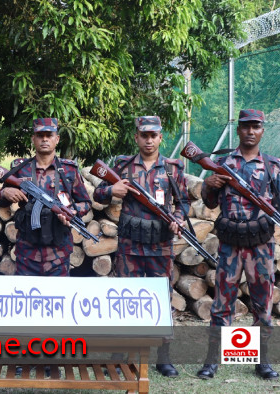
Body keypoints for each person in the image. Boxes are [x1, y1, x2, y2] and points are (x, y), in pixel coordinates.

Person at [196, 109, 280, 380]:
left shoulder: (272, 165)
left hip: (260, 246)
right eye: (245, 127)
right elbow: (209, 201)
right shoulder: (223, 163)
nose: (250, 132)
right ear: (238, 130)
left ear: (262, 131)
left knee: (262, 304)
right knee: (222, 304)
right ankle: (212, 361)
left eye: (256, 127)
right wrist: (209, 184)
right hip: (230, 245)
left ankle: (261, 361)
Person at [93, 115, 189, 378]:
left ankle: (164, 357)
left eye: (153, 135)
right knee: (125, 299)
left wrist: (178, 220)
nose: (148, 140)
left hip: (160, 246)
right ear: (136, 137)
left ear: (160, 138)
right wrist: (113, 190)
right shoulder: (122, 166)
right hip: (130, 246)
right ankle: (119, 355)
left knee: (161, 300)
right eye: (143, 135)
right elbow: (97, 194)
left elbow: (184, 204)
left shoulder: (172, 169)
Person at [0, 118, 91, 277]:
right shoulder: (21, 169)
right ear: (33, 139)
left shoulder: (69, 170)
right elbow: (1, 199)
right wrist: (5, 193)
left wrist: (72, 212)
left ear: (57, 139)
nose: (45, 139)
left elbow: (85, 203)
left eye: (49, 135)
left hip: (59, 254)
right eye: (40, 135)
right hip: (27, 252)